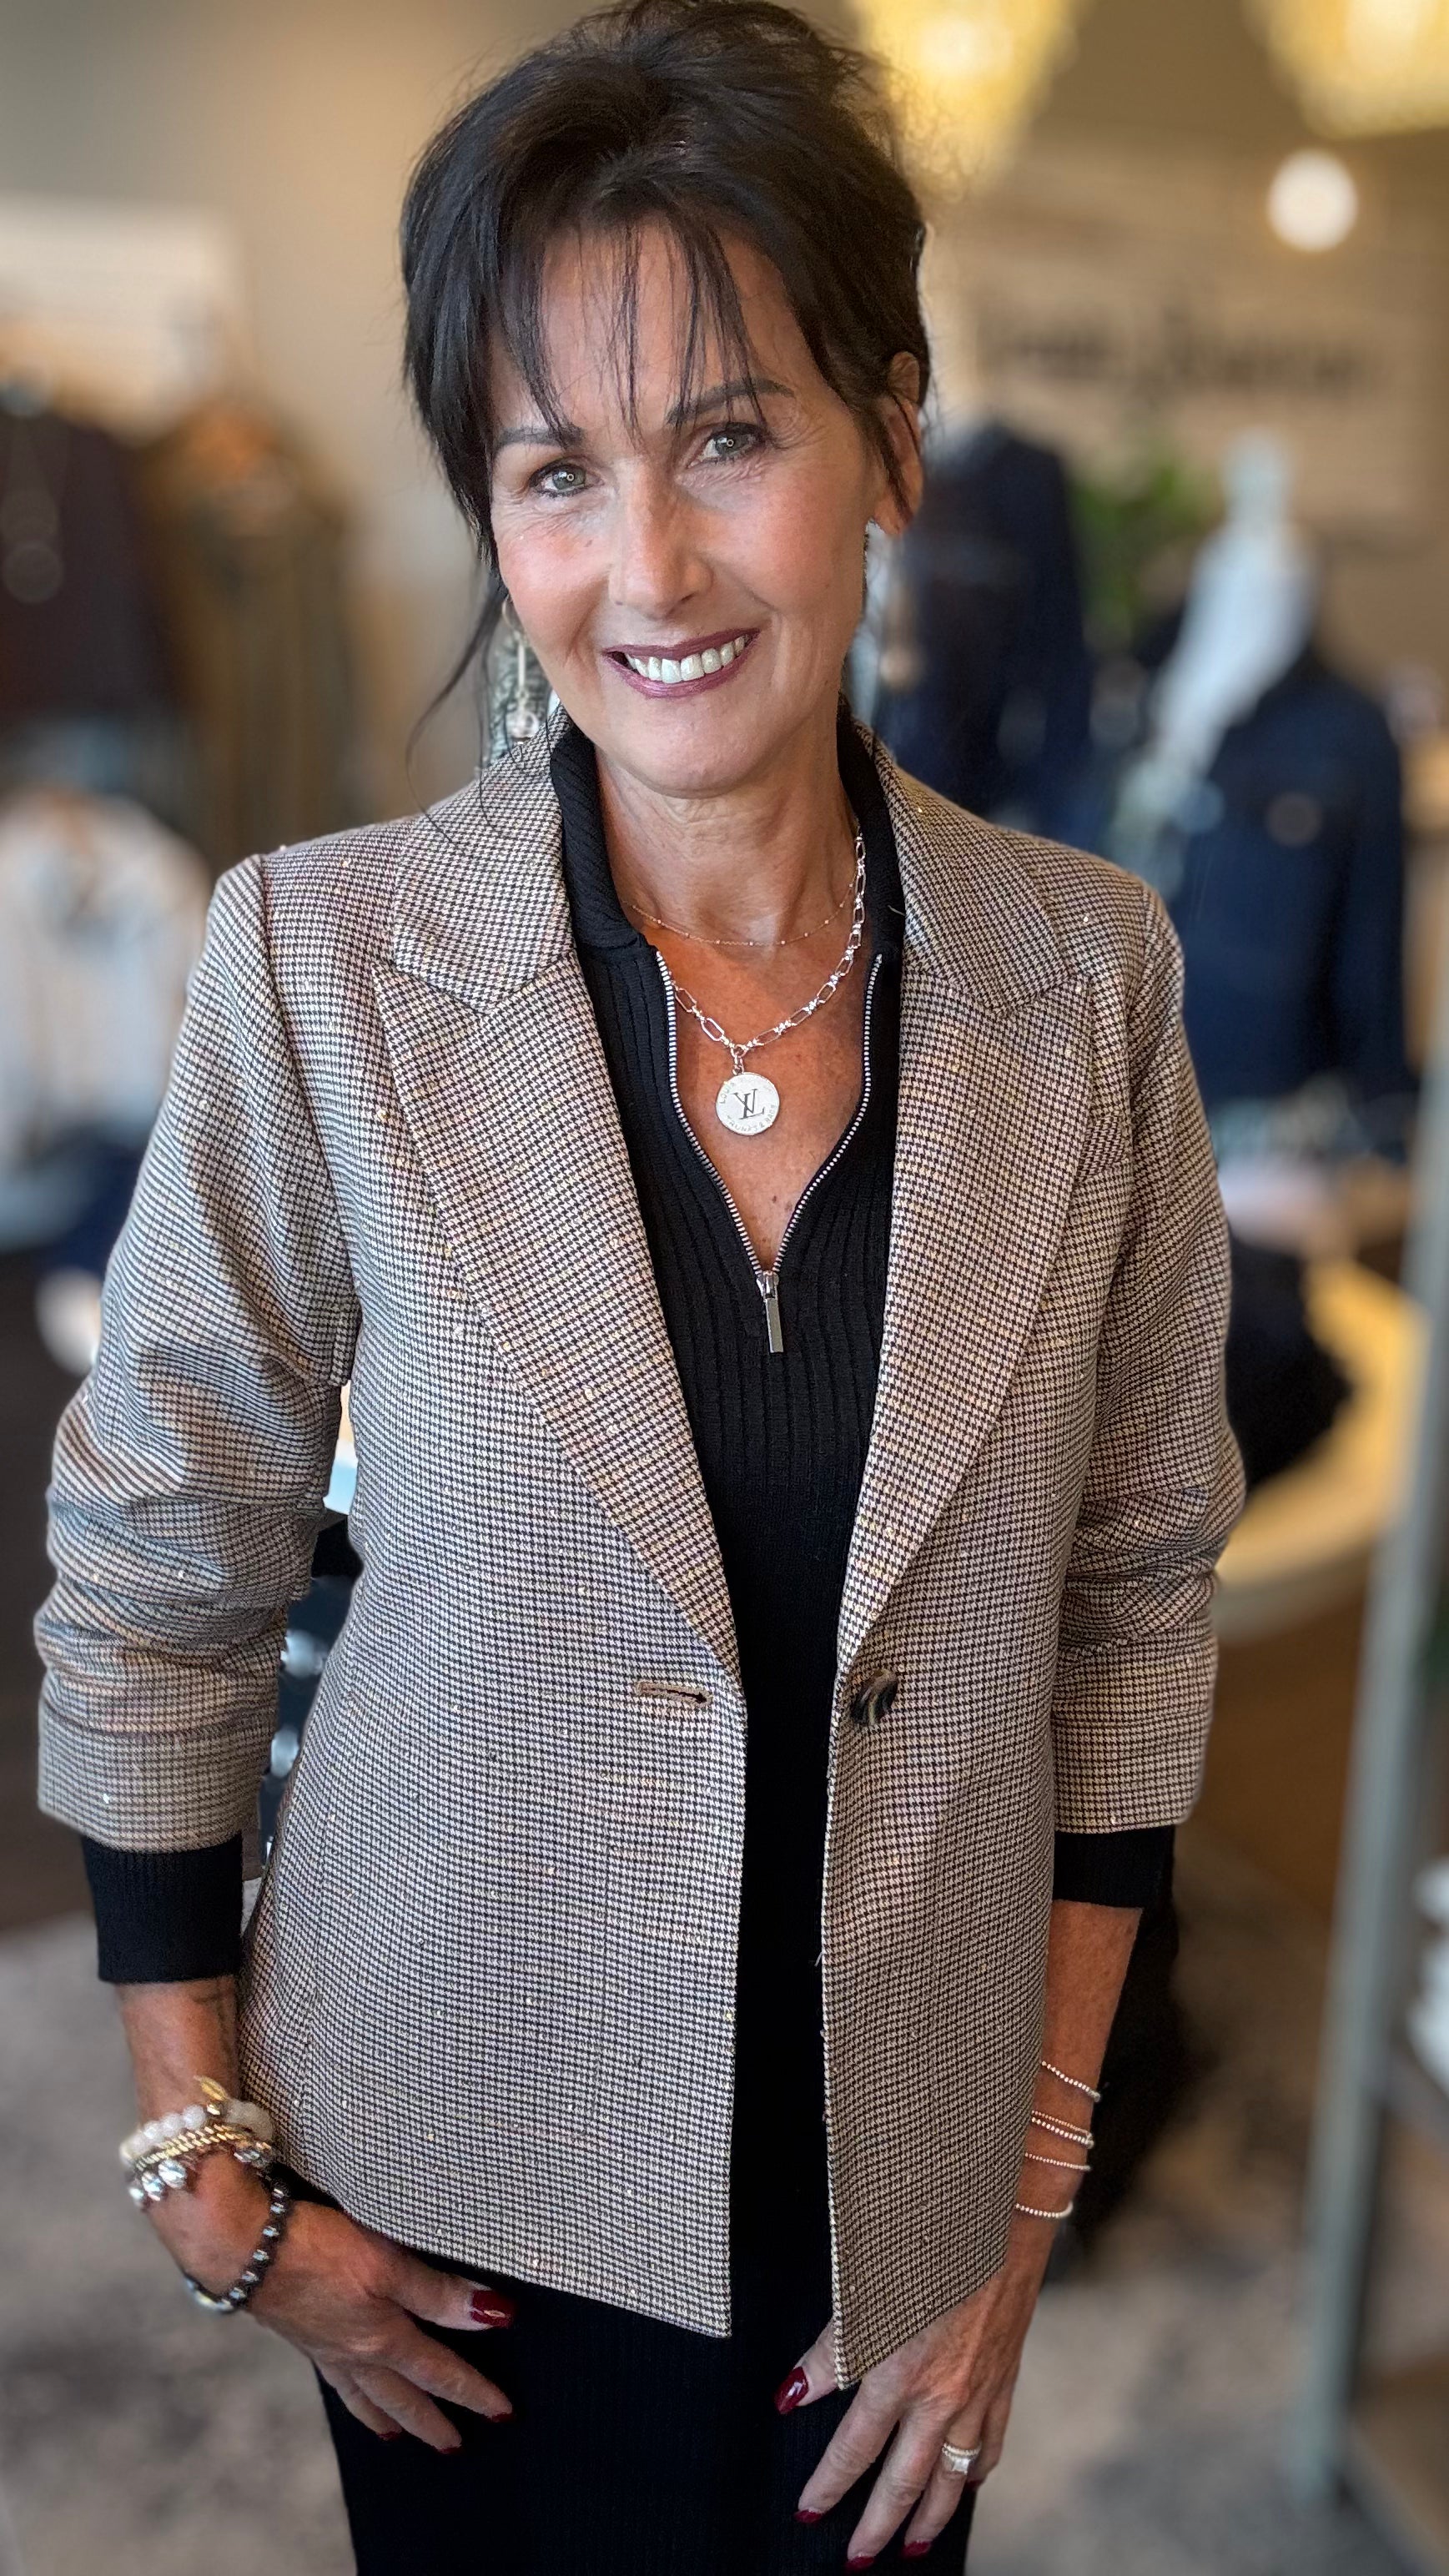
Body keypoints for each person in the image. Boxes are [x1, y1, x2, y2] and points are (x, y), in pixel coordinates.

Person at [35, 4, 1245, 2568]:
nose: (649, 570)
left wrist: (1025, 2199)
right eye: (554, 471)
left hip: (899, 2213)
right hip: (449, 2216)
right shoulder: (322, 964)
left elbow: (1133, 1598)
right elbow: (160, 1569)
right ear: (492, 520)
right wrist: (202, 2167)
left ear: (889, 439)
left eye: (726, 437)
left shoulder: (1088, 975)